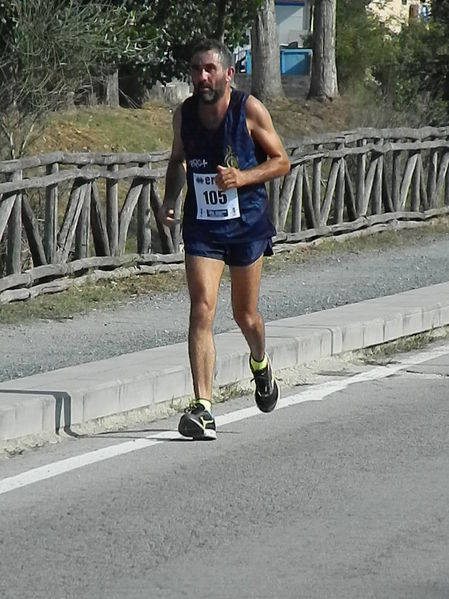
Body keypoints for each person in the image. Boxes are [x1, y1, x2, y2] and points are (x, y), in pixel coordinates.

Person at [158, 38, 290, 440]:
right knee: (202, 307)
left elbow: (281, 161)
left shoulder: (248, 109)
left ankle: (260, 363)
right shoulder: (184, 115)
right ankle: (203, 408)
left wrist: (242, 177)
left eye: (210, 69)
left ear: (228, 74)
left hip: (246, 225)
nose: (202, 77)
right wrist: (169, 198)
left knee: (244, 315)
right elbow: (178, 159)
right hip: (203, 226)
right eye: (196, 69)